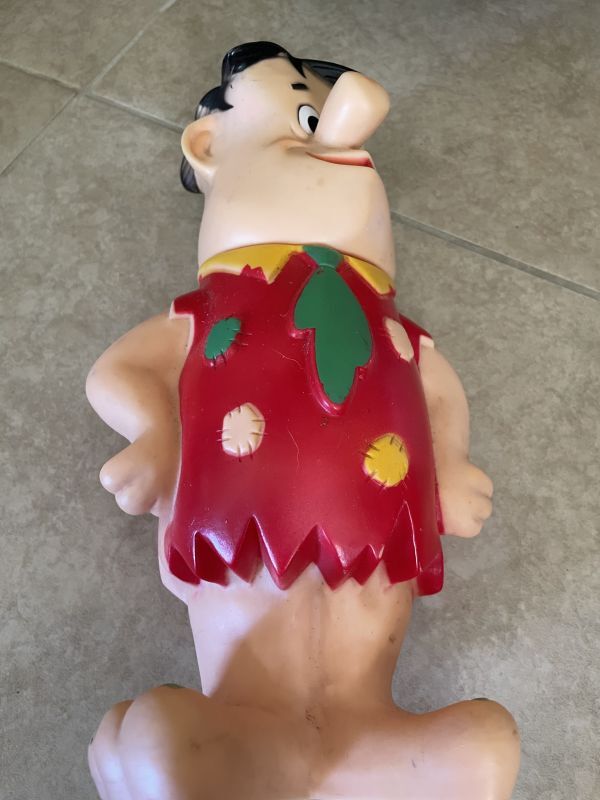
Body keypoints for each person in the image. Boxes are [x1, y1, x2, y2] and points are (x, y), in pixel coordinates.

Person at [86, 41, 519, 800]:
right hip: (236, 557)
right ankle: (249, 746)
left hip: (372, 549)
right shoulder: (208, 313)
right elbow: (118, 372)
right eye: (306, 117)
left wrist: (448, 464)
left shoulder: (392, 328)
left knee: (487, 740)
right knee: (155, 731)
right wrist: (157, 435)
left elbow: (440, 393)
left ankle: (364, 740)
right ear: (208, 145)